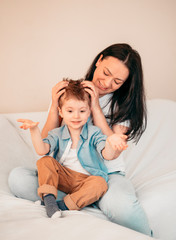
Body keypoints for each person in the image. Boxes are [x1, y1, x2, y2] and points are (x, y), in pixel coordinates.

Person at [8, 43, 152, 235]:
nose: (107, 83)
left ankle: (90, 198)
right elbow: (45, 145)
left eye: (117, 81)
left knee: (121, 205)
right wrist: (53, 105)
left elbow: (113, 149)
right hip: (67, 175)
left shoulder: (123, 104)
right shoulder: (71, 92)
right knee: (18, 178)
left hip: (106, 176)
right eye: (106, 73)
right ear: (99, 60)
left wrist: (96, 107)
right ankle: (82, 199)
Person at [17, 79, 128, 218]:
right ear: (61, 112)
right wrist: (34, 130)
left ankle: (62, 206)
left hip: (86, 180)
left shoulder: (94, 133)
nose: (76, 116)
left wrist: (111, 142)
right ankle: (49, 199)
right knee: (45, 161)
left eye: (82, 111)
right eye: (70, 111)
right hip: (63, 177)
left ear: (89, 112)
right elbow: (42, 150)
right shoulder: (57, 133)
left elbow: (107, 154)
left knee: (100, 183)